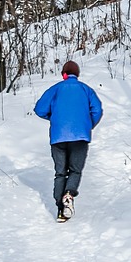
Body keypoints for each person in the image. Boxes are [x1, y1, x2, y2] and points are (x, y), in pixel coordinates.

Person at [34, 60, 103, 222]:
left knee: (60, 173)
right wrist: (87, 125)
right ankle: (69, 194)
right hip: (80, 137)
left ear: (64, 74)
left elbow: (39, 109)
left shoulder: (56, 89)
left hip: (58, 137)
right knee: (75, 170)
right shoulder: (86, 90)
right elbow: (97, 110)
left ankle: (61, 210)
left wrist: (53, 118)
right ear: (77, 74)